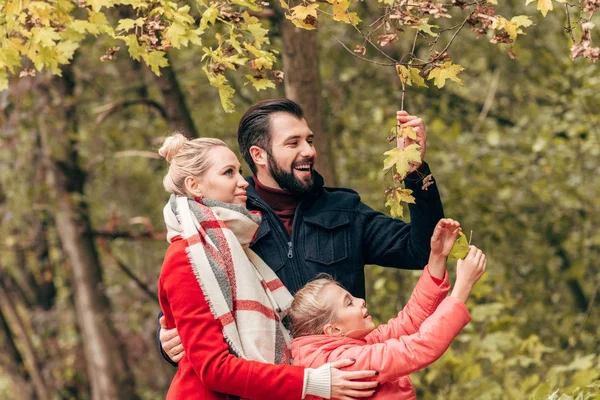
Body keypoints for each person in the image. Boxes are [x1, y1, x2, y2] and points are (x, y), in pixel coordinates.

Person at [159, 98, 445, 365]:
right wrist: (166, 341)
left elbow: (421, 249)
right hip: (269, 385)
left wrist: (415, 171)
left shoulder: (344, 209)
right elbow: (194, 291)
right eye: (293, 143)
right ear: (259, 155)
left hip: (347, 376)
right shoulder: (227, 221)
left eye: (309, 140)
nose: (308, 150)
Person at [157, 134, 379, 399]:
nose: (243, 183)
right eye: (229, 173)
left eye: (239, 171)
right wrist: (310, 381)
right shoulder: (185, 256)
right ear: (195, 186)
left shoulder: (240, 249)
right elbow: (213, 368)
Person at [289, 219, 487, 399]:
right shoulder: (344, 363)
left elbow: (409, 322)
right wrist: (462, 287)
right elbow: (418, 347)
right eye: (349, 303)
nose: (361, 301)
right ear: (333, 330)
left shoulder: (348, 346)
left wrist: (437, 256)